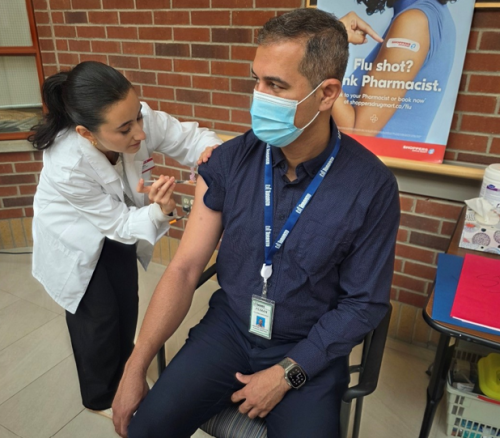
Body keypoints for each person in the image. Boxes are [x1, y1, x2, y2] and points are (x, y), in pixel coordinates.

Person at [112, 8, 400, 438]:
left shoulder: (371, 187)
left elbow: (363, 304)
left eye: (276, 85)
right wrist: (135, 365)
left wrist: (287, 375)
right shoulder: (230, 162)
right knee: (147, 428)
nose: (258, 97)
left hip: (307, 349)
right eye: (256, 80)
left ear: (326, 94)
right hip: (228, 330)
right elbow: (186, 266)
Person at [29, 61, 221, 418]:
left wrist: (212, 156)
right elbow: (117, 222)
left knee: (126, 301)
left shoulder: (135, 118)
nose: (140, 133)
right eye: (125, 128)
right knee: (98, 317)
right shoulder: (67, 162)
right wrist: (161, 210)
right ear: (87, 133)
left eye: (138, 117)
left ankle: (125, 369)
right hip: (76, 238)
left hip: (119, 226)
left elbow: (188, 137)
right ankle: (101, 395)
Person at [332, 0, 457, 142]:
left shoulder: (414, 21)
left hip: (375, 159)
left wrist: (325, 49)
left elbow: (359, 135)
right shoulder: (434, 14)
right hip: (385, 160)